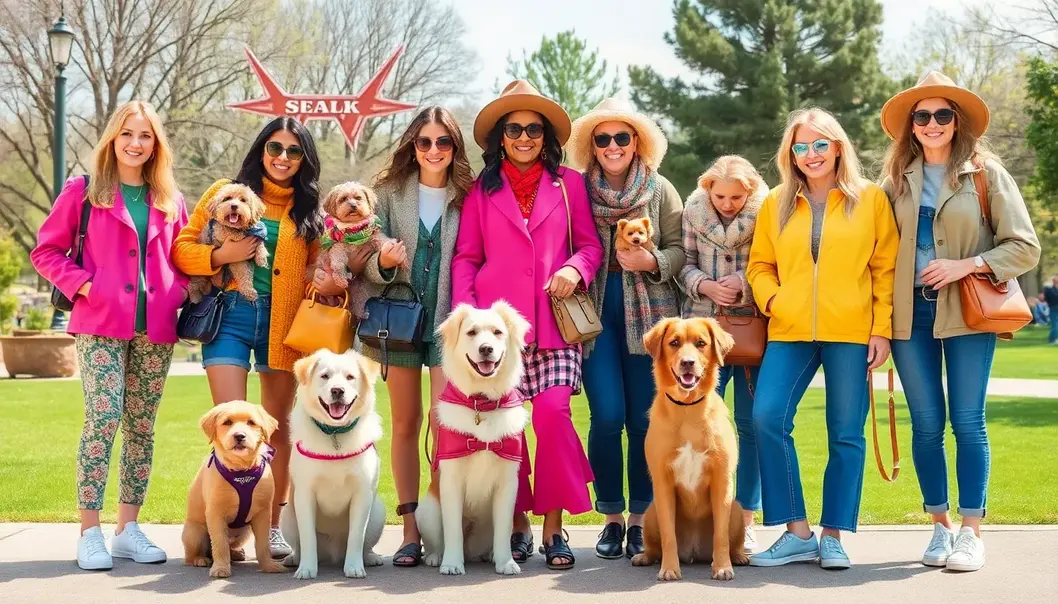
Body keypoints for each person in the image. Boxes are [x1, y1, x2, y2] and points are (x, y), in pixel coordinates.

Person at [879, 71, 1040, 572]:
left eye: (942, 114)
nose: (931, 123)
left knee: (968, 420)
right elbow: (879, 255)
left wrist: (966, 264)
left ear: (957, 121)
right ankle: (939, 527)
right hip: (911, 314)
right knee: (926, 423)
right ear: (911, 124)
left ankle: (972, 532)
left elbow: (1025, 246)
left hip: (968, 309)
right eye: (921, 115)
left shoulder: (985, 173)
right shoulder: (893, 181)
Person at [172, 116, 351, 559]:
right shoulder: (222, 192)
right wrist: (222, 255)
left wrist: (327, 283)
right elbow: (182, 247)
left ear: (304, 159)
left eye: (294, 151)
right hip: (229, 315)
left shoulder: (311, 211)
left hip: (286, 325)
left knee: (273, 432)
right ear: (261, 151)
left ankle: (271, 526)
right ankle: (223, 528)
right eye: (275, 148)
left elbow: (317, 269)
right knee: (228, 422)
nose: (283, 158)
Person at [452, 80, 604, 570]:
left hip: (556, 326)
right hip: (498, 338)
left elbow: (590, 246)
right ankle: (515, 525)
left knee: (553, 417)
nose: (523, 137)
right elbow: (467, 257)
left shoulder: (570, 185)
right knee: (505, 432)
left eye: (533, 129)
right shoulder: (481, 191)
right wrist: (466, 320)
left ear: (546, 137)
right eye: (514, 129)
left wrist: (573, 269)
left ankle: (554, 530)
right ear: (500, 137)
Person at [31, 100, 189, 570]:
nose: (136, 144)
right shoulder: (83, 190)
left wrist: (175, 290)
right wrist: (84, 284)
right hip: (99, 320)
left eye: (145, 136)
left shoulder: (171, 199)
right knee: (103, 418)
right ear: (112, 140)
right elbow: (46, 250)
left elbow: (183, 257)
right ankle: (89, 532)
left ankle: (128, 528)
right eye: (127, 135)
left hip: (155, 326)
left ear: (156, 144)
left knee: (142, 427)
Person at [746, 107, 899, 570]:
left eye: (819, 144)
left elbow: (884, 268)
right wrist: (774, 301)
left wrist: (881, 329)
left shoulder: (870, 199)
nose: (810, 154)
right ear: (789, 153)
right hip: (789, 330)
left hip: (851, 332)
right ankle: (796, 533)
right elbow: (759, 265)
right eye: (800, 146)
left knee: (846, 433)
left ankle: (833, 535)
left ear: (837, 146)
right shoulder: (775, 202)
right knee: (766, 417)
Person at [563, 97, 683, 559]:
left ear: (638, 142)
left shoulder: (660, 190)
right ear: (592, 146)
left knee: (643, 421)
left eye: (622, 137)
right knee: (608, 416)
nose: (613, 146)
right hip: (593, 316)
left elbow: (679, 251)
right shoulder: (576, 190)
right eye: (603, 138)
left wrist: (652, 260)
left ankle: (641, 519)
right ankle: (610, 517)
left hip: (650, 317)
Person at [359, 106, 474, 567]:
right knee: (405, 425)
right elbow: (363, 259)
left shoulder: (469, 194)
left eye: (443, 142)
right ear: (412, 145)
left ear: (455, 147)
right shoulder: (386, 193)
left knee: (443, 424)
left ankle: (441, 524)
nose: (433, 151)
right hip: (397, 323)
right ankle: (410, 531)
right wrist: (383, 261)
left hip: (450, 324)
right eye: (424, 142)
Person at [678, 155, 768, 552]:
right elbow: (684, 264)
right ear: (707, 190)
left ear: (749, 193)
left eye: (736, 197)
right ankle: (694, 518)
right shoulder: (692, 212)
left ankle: (744, 517)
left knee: (750, 425)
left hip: (750, 330)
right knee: (697, 427)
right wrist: (706, 286)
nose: (728, 204)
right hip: (701, 333)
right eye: (720, 196)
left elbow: (775, 263)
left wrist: (743, 282)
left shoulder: (769, 213)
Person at [1044, 276, 1058, 342]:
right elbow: (1047, 298)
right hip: (1053, 308)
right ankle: (1052, 340)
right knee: (1054, 326)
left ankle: (1055, 338)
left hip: (1054, 307)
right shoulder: (1049, 289)